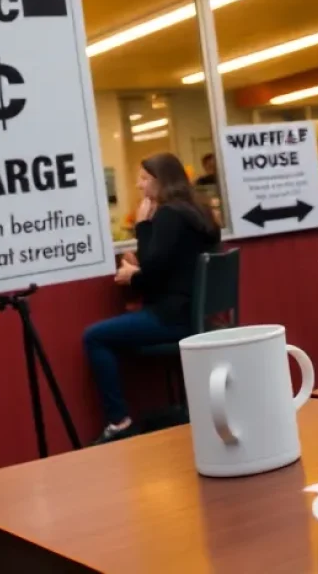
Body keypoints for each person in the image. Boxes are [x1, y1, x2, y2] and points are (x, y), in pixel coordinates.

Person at [84, 153, 220, 443]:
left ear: (162, 182)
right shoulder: (199, 210)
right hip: (196, 314)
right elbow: (168, 265)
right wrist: (141, 266)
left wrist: (135, 263)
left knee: (94, 337)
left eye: (145, 179)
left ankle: (119, 422)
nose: (138, 185)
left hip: (173, 317)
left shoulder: (169, 214)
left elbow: (154, 277)